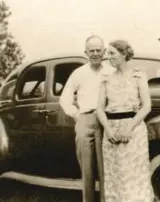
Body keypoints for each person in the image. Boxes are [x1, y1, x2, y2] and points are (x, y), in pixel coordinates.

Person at [96, 40, 154, 202]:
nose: (108, 57)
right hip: (111, 131)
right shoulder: (106, 78)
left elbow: (147, 106)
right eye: (108, 53)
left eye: (112, 53)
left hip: (133, 130)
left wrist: (129, 128)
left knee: (134, 175)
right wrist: (108, 130)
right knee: (115, 176)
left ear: (124, 54)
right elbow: (99, 109)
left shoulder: (138, 75)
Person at [59, 35, 115, 202]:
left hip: (106, 121)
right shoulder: (79, 73)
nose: (96, 53)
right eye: (92, 51)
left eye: (99, 50)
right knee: (87, 168)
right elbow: (65, 98)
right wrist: (77, 115)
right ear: (86, 53)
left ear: (104, 51)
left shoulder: (111, 71)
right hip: (86, 120)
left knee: (106, 167)